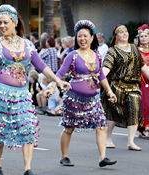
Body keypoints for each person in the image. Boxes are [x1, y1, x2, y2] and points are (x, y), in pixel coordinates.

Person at [0, 5, 70, 175]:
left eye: (5, 22)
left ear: (14, 22)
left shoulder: (28, 45)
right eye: (0, 23)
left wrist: (58, 80)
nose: (1, 26)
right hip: (0, 93)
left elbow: (42, 66)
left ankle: (27, 169)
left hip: (21, 95)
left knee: (28, 128)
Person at [45, 20, 117, 167]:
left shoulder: (97, 56)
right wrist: (52, 87)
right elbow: (60, 73)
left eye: (85, 36)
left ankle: (102, 158)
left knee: (101, 125)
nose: (82, 39)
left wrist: (109, 91)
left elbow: (101, 76)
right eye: (79, 36)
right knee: (69, 128)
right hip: (74, 98)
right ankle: (64, 156)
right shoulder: (72, 55)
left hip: (93, 99)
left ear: (92, 38)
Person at [101, 24, 149, 151]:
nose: (125, 33)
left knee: (134, 111)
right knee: (113, 112)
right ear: (116, 36)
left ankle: (131, 142)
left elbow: (142, 66)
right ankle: (108, 139)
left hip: (133, 86)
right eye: (121, 32)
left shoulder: (133, 48)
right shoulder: (113, 50)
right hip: (117, 86)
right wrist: (100, 77)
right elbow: (106, 68)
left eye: (126, 31)